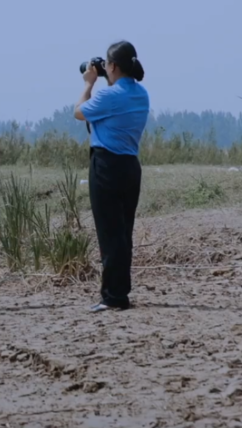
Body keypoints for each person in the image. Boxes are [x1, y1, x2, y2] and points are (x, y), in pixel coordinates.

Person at [74, 40, 149, 313]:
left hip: (106, 165)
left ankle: (113, 297)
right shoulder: (141, 94)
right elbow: (115, 106)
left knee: (109, 233)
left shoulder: (108, 96)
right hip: (130, 166)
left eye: (106, 64)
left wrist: (88, 84)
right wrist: (107, 78)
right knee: (123, 232)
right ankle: (120, 291)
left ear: (113, 66)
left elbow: (78, 112)